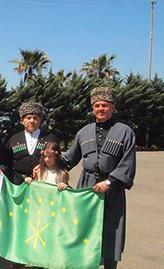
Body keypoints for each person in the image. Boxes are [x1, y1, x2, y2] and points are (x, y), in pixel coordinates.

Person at [61, 87, 136, 269]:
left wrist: (109, 182)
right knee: (84, 231)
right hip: (86, 188)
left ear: (113, 107)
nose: (100, 109)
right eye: (97, 105)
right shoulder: (83, 132)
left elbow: (128, 163)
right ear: (93, 108)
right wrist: (46, 162)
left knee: (111, 233)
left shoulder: (125, 132)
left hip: (112, 190)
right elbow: (68, 159)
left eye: (104, 105)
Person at [5, 101, 57, 184]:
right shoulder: (13, 139)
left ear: (40, 120)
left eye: (35, 118)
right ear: (22, 120)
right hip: (18, 185)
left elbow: (57, 161)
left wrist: (43, 167)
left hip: (43, 183)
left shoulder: (50, 138)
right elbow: (6, 162)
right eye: (28, 118)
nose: (32, 121)